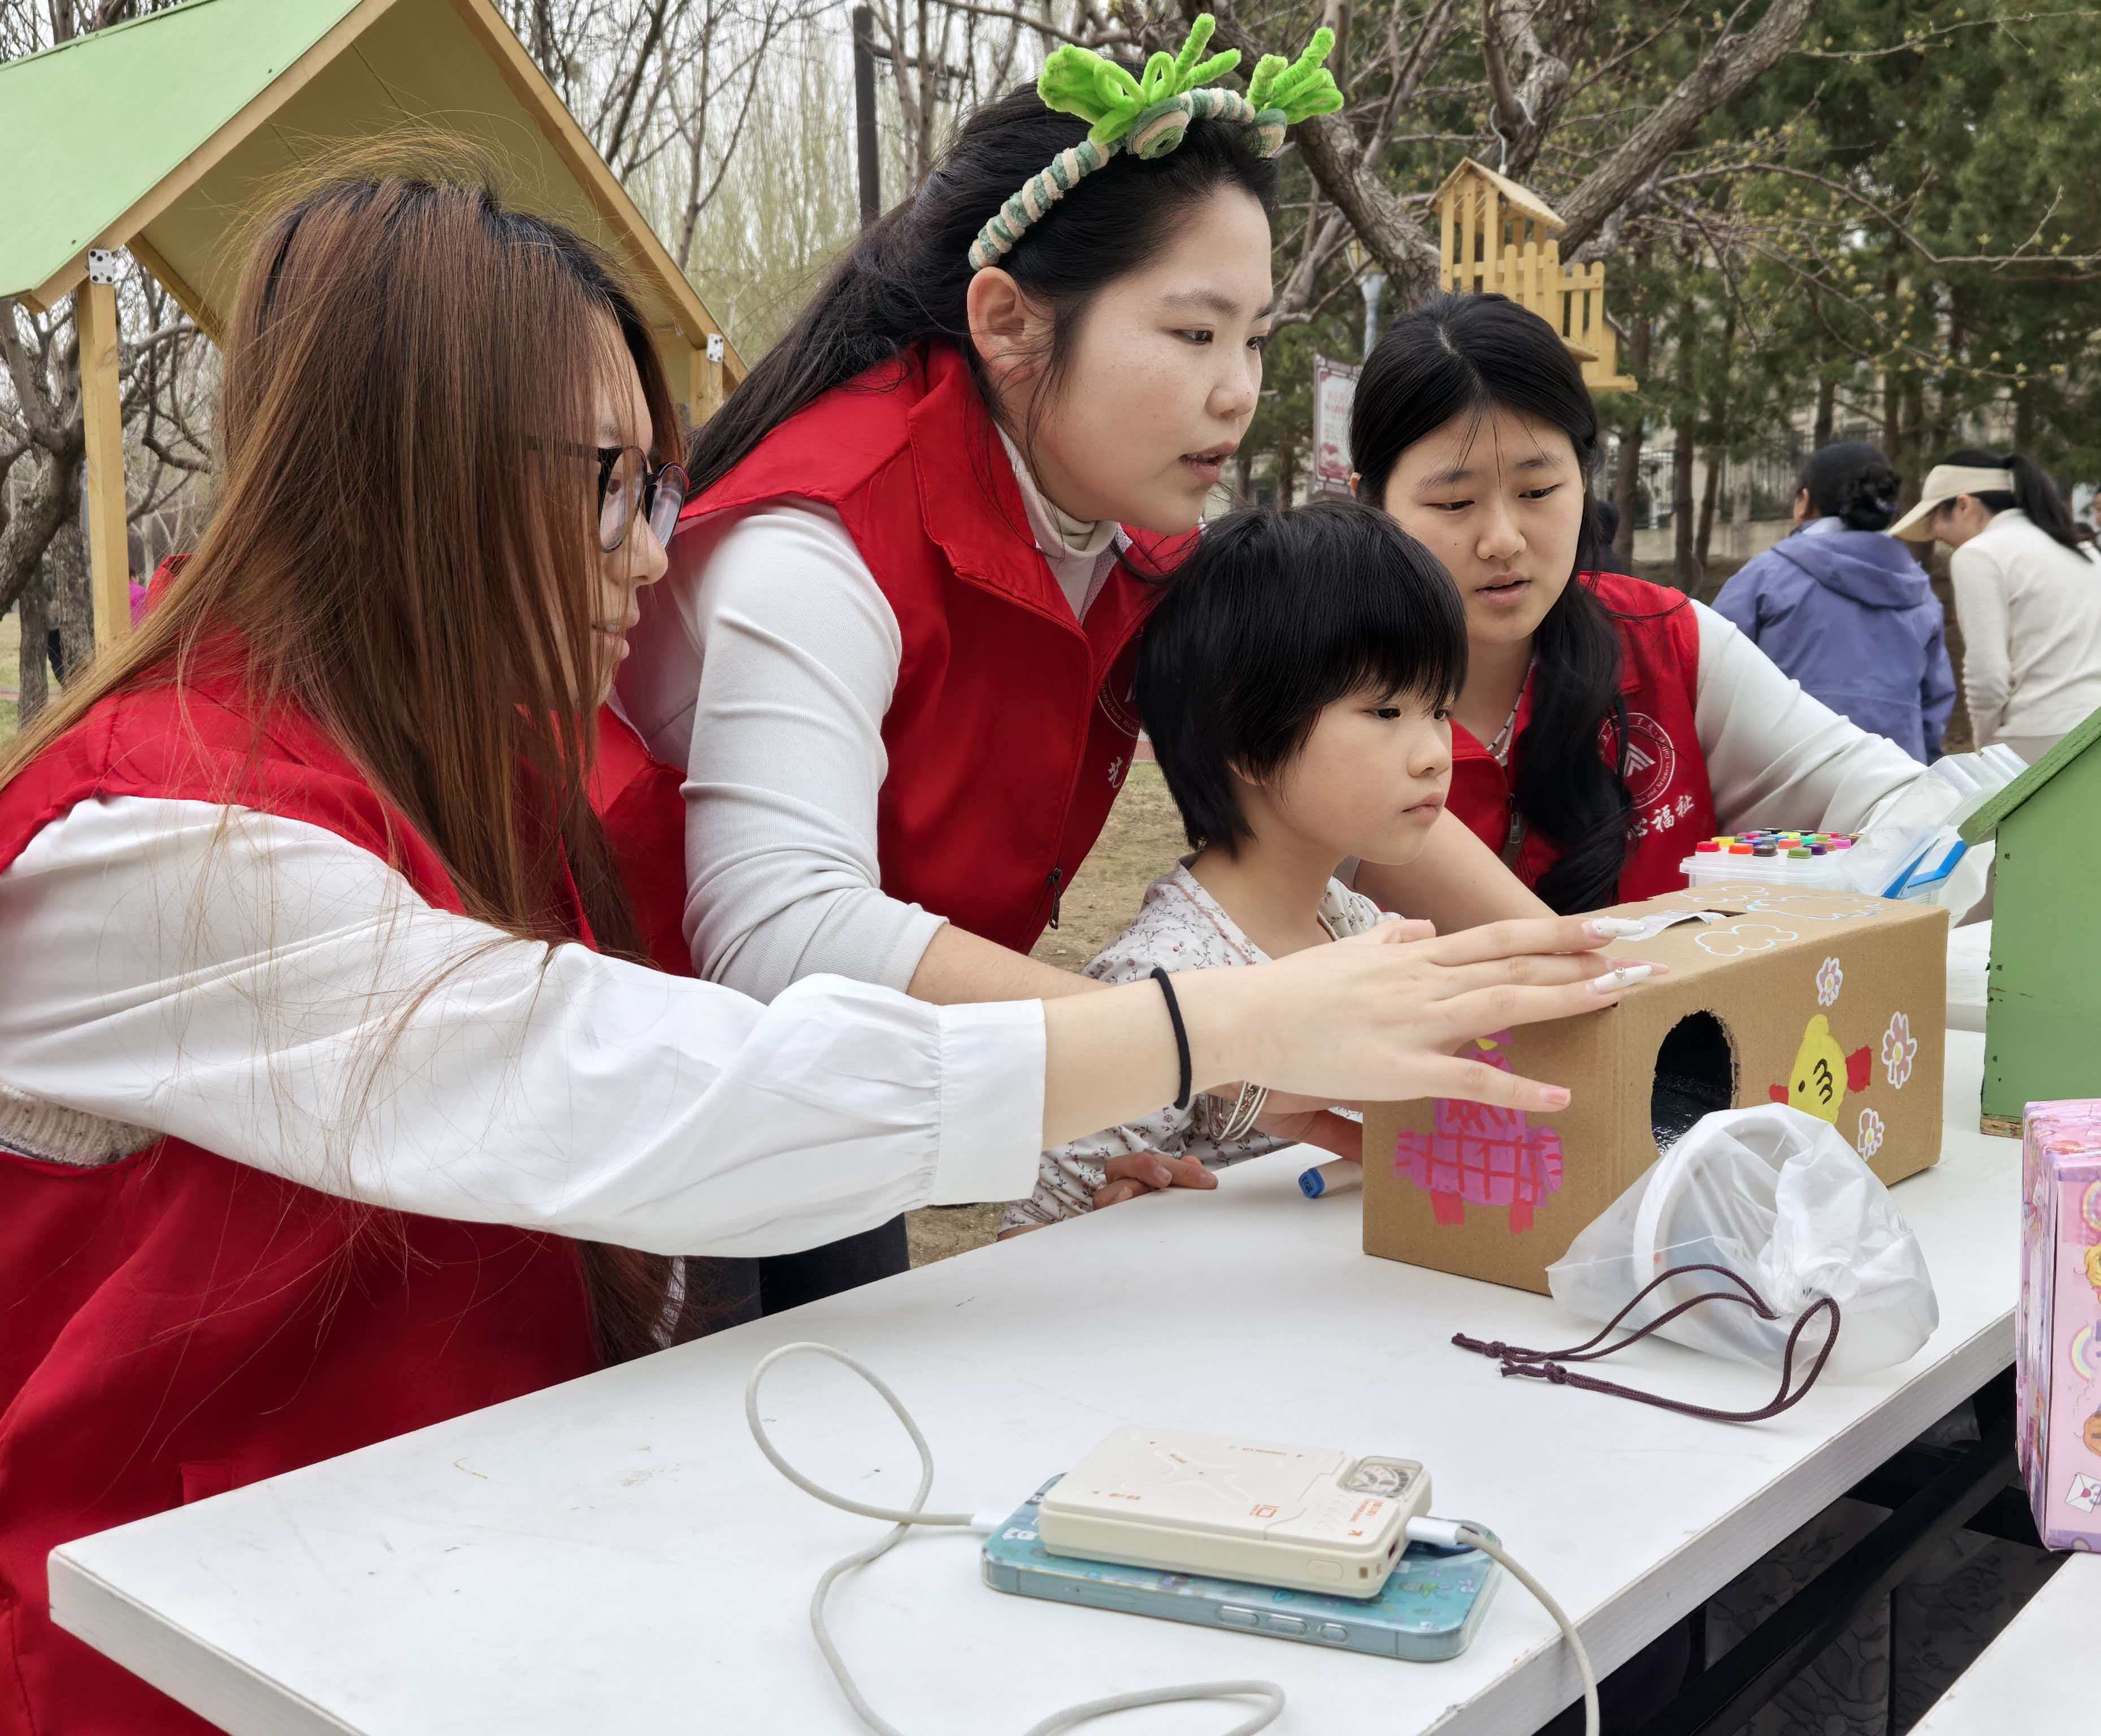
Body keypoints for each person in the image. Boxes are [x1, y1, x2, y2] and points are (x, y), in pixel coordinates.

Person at [0, 166, 1640, 1734]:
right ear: (414, 470)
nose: (654, 554)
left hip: (446, 1588)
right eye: (612, 486)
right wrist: (1212, 1029)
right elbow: (647, 1098)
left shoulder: (499, 771)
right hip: (181, 1669)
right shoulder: (164, 847)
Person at [616, 26, 1553, 1307]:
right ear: (1006, 320)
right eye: (1192, 333)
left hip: (853, 1095)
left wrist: (1565, 973)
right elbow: (780, 926)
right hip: (658, 1111)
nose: (1238, 393)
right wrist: (1188, 1047)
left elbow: (1331, 731)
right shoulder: (819, 539)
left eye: (1258, 341)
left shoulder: (1131, 530)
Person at [1004, 500, 1669, 1229]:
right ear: (1252, 742)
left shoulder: (1359, 925)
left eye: (1440, 709)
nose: (1433, 754)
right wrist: (1127, 1217)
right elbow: (1036, 1220)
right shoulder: (1163, 980)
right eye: (1386, 713)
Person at [1349, 294, 1972, 912]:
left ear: (1585, 479)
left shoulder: (1664, 643)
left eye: (1538, 490)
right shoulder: (1314, 695)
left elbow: (1894, 801)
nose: (1504, 540)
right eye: (1454, 504)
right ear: (1369, 504)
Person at [1711, 442, 1956, 763]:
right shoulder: (1921, 593)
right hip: (1895, 777)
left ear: (1804, 502)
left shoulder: (1766, 575)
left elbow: (1711, 673)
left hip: (1782, 774)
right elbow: (1934, 704)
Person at [1891, 450, 2101, 763]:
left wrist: (1986, 748)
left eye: (1936, 520)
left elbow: (1987, 676)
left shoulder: (1979, 554)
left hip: (2041, 734)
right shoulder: (2081, 548)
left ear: (1963, 505)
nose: (1937, 536)